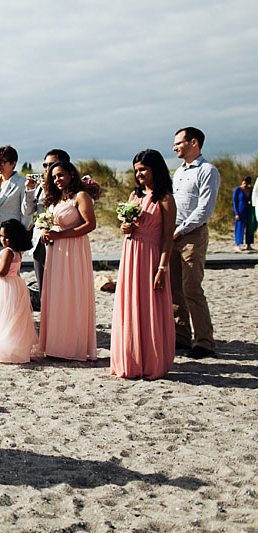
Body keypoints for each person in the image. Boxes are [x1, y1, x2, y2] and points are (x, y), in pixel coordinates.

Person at [111, 149, 176, 380]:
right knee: (129, 305)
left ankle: (151, 361)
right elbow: (126, 224)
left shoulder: (165, 198)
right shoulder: (134, 196)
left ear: (155, 169)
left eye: (143, 170)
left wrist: (162, 268)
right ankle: (131, 359)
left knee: (150, 307)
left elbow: (168, 237)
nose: (139, 174)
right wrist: (125, 227)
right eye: (136, 170)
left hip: (151, 257)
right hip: (130, 253)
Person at [38, 160, 97, 361]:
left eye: (60, 175)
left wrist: (60, 236)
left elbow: (90, 225)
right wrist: (46, 232)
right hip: (56, 252)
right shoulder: (57, 199)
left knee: (72, 294)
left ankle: (72, 345)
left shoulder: (81, 197)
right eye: (54, 177)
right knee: (56, 295)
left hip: (74, 250)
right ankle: (56, 344)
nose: (57, 180)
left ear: (71, 174)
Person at [171, 126, 221, 358]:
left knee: (192, 287)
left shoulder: (207, 171)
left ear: (193, 143)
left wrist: (181, 230)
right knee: (174, 288)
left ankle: (204, 342)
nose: (175, 147)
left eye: (179, 143)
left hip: (192, 236)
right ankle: (181, 337)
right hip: (172, 235)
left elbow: (204, 209)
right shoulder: (179, 172)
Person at [0, 219, 38, 363]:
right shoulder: (17, 252)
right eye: (1, 236)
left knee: (3, 315)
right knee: (12, 316)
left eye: (6, 236)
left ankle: (3, 346)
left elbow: (3, 271)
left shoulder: (7, 252)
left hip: (5, 285)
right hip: (15, 284)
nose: (3, 239)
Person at [22, 148, 70, 295]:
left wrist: (48, 190)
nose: (48, 168)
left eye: (52, 164)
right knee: (43, 288)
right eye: (45, 165)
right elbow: (27, 211)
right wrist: (30, 190)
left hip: (61, 241)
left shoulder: (67, 187)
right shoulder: (40, 187)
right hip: (40, 241)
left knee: (61, 288)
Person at [232, 176, 254, 251]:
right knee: (239, 227)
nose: (245, 184)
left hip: (249, 210)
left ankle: (249, 244)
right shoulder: (238, 190)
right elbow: (235, 202)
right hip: (240, 211)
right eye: (244, 182)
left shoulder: (251, 190)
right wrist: (236, 213)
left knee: (249, 228)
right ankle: (237, 244)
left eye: (246, 182)